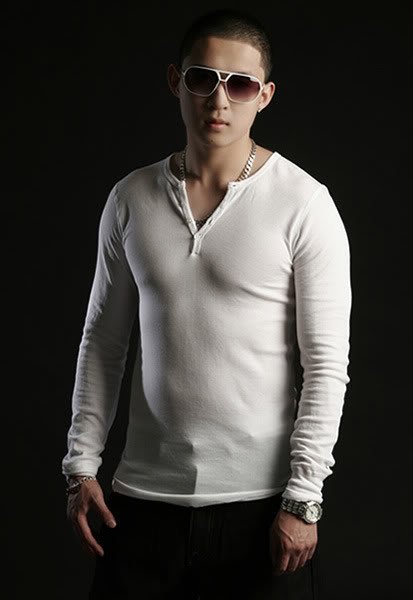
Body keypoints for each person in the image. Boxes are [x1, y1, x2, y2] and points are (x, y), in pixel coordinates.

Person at [62, 7, 352, 599]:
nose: (219, 100)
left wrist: (304, 497)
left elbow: (325, 364)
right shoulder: (131, 198)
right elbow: (103, 343)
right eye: (203, 79)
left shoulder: (304, 203)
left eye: (240, 85)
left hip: (262, 510)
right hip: (142, 506)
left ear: (264, 96)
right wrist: (81, 465)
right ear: (177, 81)